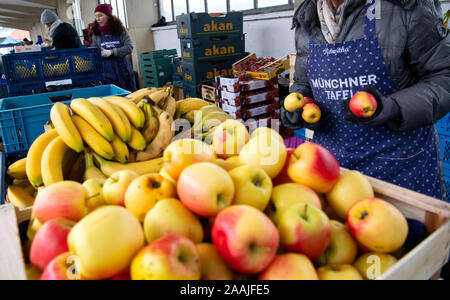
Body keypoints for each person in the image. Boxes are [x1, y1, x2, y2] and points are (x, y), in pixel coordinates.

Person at [284, 0, 450, 200]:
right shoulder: (308, 18)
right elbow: (303, 82)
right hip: (333, 172)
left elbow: (443, 75)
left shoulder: (405, 8)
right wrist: (301, 105)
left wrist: (396, 107)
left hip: (399, 171)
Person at [90, 4, 136, 91]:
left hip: (123, 71)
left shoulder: (120, 30)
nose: (98, 19)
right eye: (96, 16)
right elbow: (94, 51)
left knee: (129, 97)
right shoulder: (96, 33)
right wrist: (97, 54)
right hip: (107, 73)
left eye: (100, 15)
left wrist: (112, 52)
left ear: (108, 16)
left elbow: (129, 47)